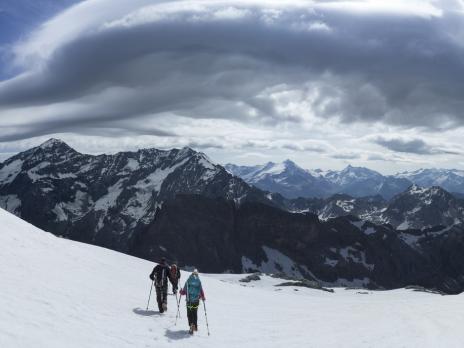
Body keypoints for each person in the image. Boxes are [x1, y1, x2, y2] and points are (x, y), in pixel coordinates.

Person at [180, 269, 205, 335]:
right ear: (197, 274)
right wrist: (203, 297)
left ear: (192, 274)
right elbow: (201, 290)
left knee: (189, 314)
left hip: (189, 301)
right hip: (196, 301)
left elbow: (184, 292)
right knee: (195, 313)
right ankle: (195, 326)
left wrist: (181, 292)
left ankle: (191, 325)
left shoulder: (188, 281)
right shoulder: (199, 281)